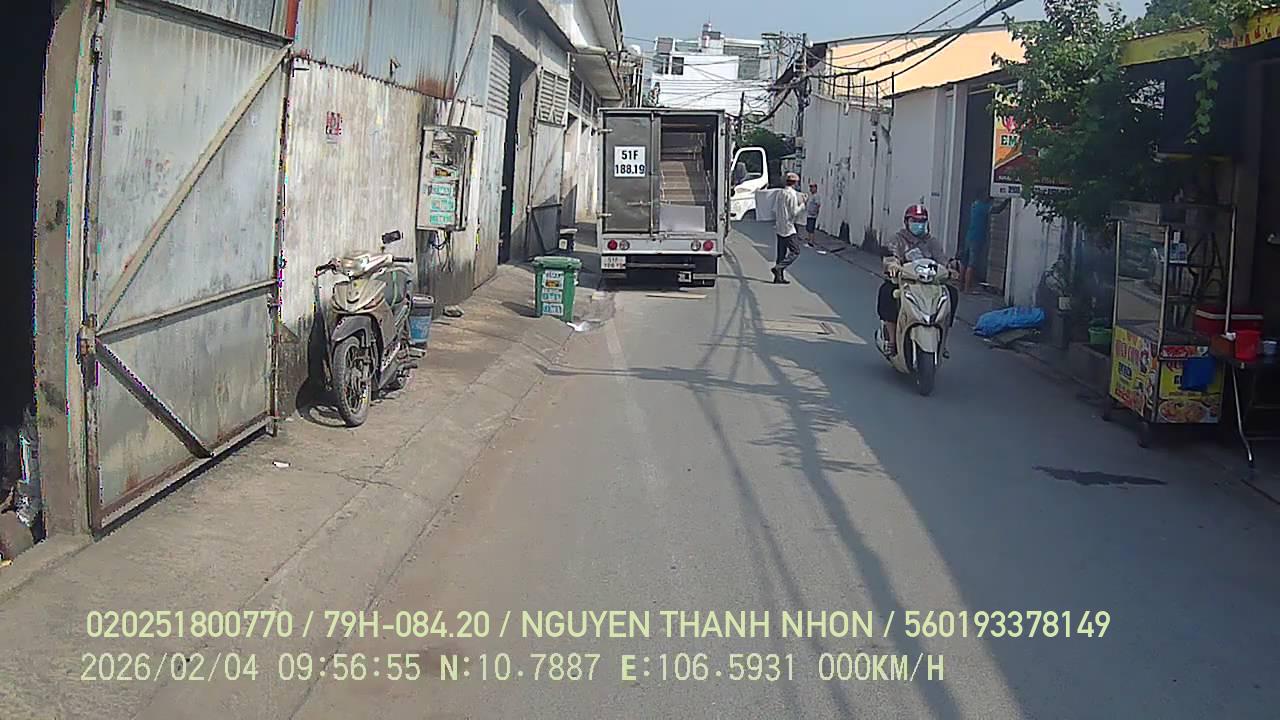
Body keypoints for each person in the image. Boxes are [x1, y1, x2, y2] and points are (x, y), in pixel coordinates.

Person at [877, 204, 959, 355]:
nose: (918, 224)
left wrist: (950, 269)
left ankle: (943, 342)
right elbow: (890, 256)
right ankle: (892, 341)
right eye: (914, 221)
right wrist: (893, 265)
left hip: (930, 285)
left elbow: (942, 260)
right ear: (906, 222)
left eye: (922, 221)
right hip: (905, 283)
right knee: (887, 292)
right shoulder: (898, 239)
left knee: (952, 294)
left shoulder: (932, 242)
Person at [961, 195, 1010, 293]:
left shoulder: (975, 205)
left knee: (964, 262)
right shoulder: (984, 207)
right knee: (971, 264)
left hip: (969, 236)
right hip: (977, 238)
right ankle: (967, 288)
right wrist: (1007, 201)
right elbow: (997, 210)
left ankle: (960, 285)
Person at [772, 172, 806, 284]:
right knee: (795, 251)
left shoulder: (780, 193)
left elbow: (775, 209)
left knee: (781, 253)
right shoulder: (791, 195)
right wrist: (802, 205)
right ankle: (779, 267)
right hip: (789, 226)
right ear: (795, 183)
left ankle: (778, 277)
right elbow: (794, 212)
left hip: (780, 225)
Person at [805, 182, 822, 246]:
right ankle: (809, 239)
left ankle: (811, 241)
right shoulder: (811, 195)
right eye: (810, 187)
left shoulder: (816, 196)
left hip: (812, 215)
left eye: (812, 187)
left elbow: (818, 205)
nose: (811, 189)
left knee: (811, 228)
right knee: (808, 227)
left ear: (815, 188)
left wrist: (815, 212)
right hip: (809, 214)